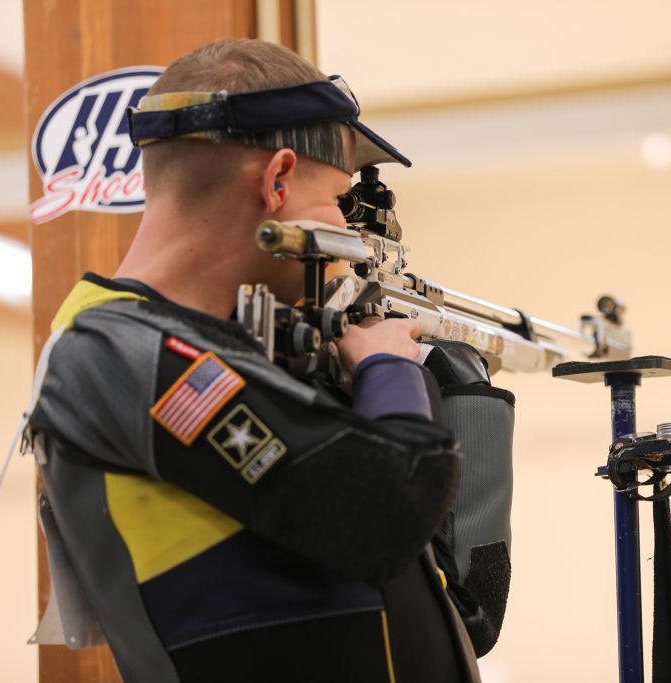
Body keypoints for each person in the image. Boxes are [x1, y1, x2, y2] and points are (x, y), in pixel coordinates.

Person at [26, 39, 513, 683]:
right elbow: (385, 515)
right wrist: (388, 368)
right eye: (338, 201)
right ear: (277, 178)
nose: (350, 234)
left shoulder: (216, 349)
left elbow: (459, 606)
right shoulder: (115, 352)